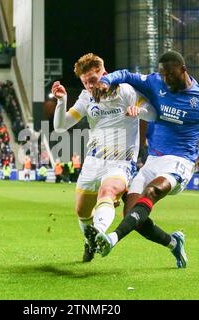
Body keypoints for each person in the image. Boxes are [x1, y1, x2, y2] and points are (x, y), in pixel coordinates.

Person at [91, 50, 199, 268]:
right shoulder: (156, 82)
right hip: (152, 161)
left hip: (180, 161)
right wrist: (106, 80)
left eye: (170, 75)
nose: (166, 80)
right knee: (133, 217)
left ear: (183, 71)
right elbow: (126, 75)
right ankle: (173, 243)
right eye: (163, 75)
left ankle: (112, 239)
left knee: (152, 192)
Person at [52, 53, 156, 262]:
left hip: (121, 160)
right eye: (85, 82)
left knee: (107, 191)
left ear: (104, 73)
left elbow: (153, 114)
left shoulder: (126, 91)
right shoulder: (86, 97)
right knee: (82, 211)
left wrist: (139, 110)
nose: (90, 86)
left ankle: (98, 233)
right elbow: (60, 126)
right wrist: (62, 101)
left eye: (92, 80)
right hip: (94, 161)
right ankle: (90, 241)